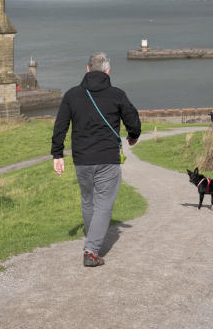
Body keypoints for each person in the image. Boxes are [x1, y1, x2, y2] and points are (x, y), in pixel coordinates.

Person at [51, 52, 142, 267]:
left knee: (88, 200)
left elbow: (60, 125)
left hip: (82, 159)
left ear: (87, 69)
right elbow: (133, 118)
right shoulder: (117, 94)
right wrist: (133, 136)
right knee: (103, 204)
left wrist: (57, 154)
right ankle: (91, 251)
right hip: (107, 158)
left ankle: (92, 239)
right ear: (108, 71)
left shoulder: (72, 95)